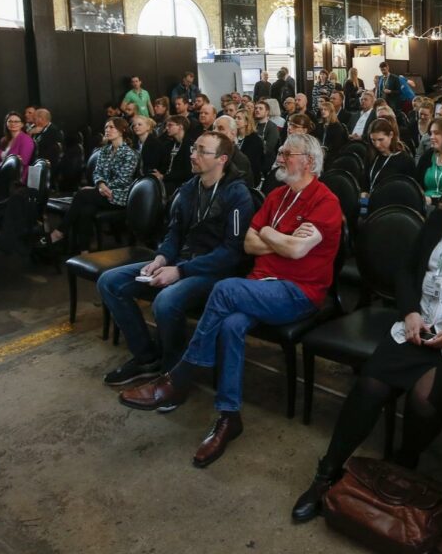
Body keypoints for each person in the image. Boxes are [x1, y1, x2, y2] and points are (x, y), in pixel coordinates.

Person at [293, 150, 442, 521]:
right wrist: (410, 312)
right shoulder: (439, 220)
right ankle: (326, 472)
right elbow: (406, 271)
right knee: (370, 385)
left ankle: (403, 461)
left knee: (424, 397)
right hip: (418, 326)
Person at [118, 134, 342, 466]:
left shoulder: (325, 201)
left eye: (286, 154)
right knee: (232, 325)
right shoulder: (277, 196)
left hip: (297, 292)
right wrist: (274, 236)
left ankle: (178, 378)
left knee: (224, 290)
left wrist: (270, 236)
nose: (278, 158)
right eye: (278, 152)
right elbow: (250, 243)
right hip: (260, 285)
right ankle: (229, 417)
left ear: (308, 161)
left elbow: (297, 250)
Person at [98, 131, 254, 385]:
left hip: (213, 271)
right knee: (109, 282)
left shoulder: (238, 194)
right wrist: (161, 258)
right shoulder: (189, 188)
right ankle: (147, 358)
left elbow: (231, 253)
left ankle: (173, 375)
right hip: (180, 262)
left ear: (222, 159)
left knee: (165, 302)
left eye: (202, 151)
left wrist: (181, 271)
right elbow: (174, 232)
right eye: (194, 148)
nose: (193, 155)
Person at [49, 118, 139, 252]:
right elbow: (97, 172)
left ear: (122, 131)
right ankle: (84, 250)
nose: (107, 130)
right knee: (86, 209)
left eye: (111, 127)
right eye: (106, 127)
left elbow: (124, 179)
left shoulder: (130, 153)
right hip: (103, 191)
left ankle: (60, 231)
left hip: (119, 194)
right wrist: (101, 185)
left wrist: (103, 187)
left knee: (82, 194)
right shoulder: (104, 150)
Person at [362, 118, 415, 196]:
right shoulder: (371, 155)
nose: (377, 145)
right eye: (373, 140)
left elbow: (410, 189)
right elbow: (365, 181)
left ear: (391, 135)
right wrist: (364, 192)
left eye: (381, 140)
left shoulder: (405, 160)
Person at [212, 116, 255, 188]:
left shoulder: (240, 160)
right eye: (213, 128)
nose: (214, 132)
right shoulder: (210, 153)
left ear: (233, 133)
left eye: (221, 128)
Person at [157, 115, 194, 195]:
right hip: (167, 180)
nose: (167, 128)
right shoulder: (169, 144)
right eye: (166, 125)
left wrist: (164, 177)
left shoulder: (190, 145)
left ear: (180, 127)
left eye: (170, 125)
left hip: (181, 183)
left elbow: (188, 172)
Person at [0, 111, 36, 183]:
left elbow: (23, 162)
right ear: (6, 124)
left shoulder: (26, 140)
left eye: (16, 121)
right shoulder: (4, 140)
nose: (13, 124)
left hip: (17, 177)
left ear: (22, 124)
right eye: (10, 121)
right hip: (1, 173)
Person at [233, 109, 265, 187]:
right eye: (235, 118)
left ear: (246, 122)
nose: (235, 120)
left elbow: (250, 161)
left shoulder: (255, 140)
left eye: (239, 118)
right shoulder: (233, 136)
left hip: (248, 175)